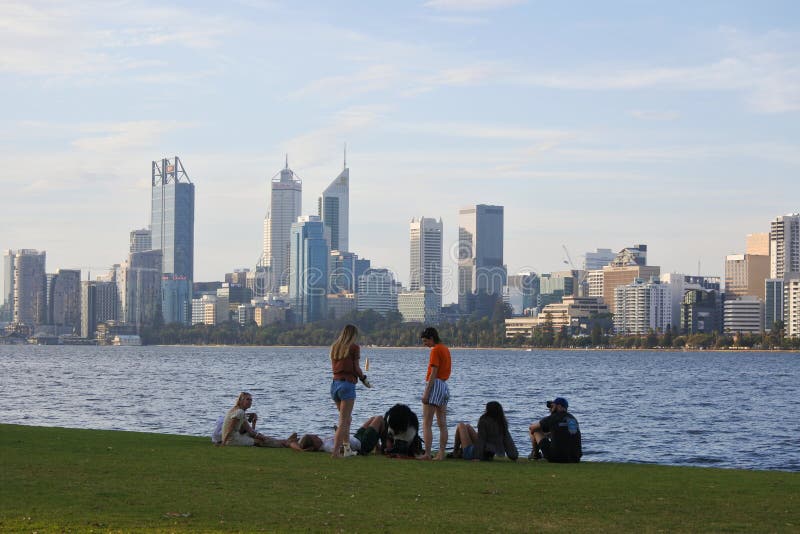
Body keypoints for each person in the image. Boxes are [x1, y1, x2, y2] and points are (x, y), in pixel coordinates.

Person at [330, 324, 372, 458]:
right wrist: (364, 379)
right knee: (343, 421)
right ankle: (336, 452)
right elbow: (356, 368)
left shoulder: (335, 347)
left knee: (347, 419)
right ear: (353, 335)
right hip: (347, 385)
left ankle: (347, 449)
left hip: (335, 385)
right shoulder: (354, 347)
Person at [221, 392, 297, 447]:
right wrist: (223, 443)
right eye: (248, 399)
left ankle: (284, 442)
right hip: (232, 440)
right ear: (241, 401)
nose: (250, 402)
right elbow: (230, 428)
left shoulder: (237, 410)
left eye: (251, 400)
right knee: (260, 441)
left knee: (260, 437)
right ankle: (284, 443)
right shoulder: (240, 412)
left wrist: (254, 422)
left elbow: (250, 431)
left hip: (233, 438)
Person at [420, 326, 451, 460]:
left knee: (427, 422)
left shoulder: (435, 350)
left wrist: (427, 392)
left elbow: (433, 372)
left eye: (426, 341)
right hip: (444, 385)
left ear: (432, 339)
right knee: (442, 422)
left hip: (435, 384)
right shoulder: (445, 349)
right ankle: (441, 453)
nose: (425, 344)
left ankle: (427, 453)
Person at [452, 401, 518, 461]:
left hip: (474, 454)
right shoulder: (502, 423)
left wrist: (476, 457)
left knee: (461, 425)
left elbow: (481, 439)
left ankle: (455, 453)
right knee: (468, 426)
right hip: (488, 454)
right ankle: (458, 452)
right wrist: (514, 456)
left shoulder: (484, 420)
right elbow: (508, 441)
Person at [289, 416, 385, 455]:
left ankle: (378, 448)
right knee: (380, 419)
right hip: (362, 444)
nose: (316, 435)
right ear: (314, 443)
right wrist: (341, 434)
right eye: (314, 437)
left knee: (373, 418)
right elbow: (342, 450)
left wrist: (301, 449)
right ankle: (383, 448)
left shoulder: (322, 442)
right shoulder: (327, 446)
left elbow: (293, 443)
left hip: (356, 437)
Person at [528, 397, 582, 462]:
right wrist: (549, 434)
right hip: (575, 458)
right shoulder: (573, 419)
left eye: (552, 406)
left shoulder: (553, 418)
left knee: (535, 431)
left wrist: (544, 434)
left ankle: (535, 455)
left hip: (556, 457)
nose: (550, 409)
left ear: (559, 406)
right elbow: (566, 433)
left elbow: (532, 428)